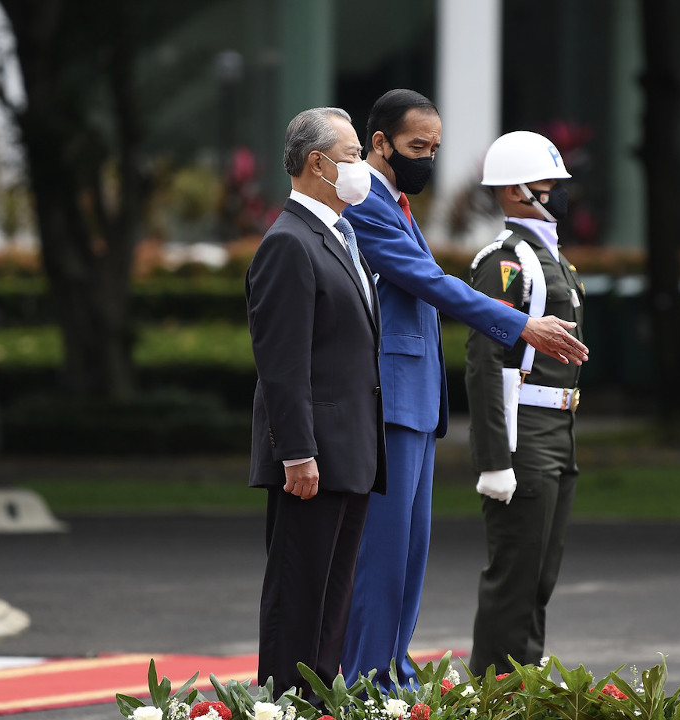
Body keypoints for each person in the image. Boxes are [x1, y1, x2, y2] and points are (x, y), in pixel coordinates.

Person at [340, 90, 588, 690]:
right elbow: (427, 280)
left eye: (434, 147)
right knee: (385, 557)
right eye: (416, 146)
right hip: (393, 400)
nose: (428, 158)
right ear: (380, 144)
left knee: (411, 556)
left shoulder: (395, 201)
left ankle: (392, 676)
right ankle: (370, 682)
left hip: (417, 402)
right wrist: (520, 323)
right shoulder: (369, 201)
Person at [246, 106, 387, 698]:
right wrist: (297, 453)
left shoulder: (336, 235)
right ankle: (282, 705)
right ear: (317, 164)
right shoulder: (288, 243)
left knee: (331, 604)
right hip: (313, 459)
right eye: (354, 156)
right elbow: (282, 364)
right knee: (298, 601)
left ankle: (316, 705)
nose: (363, 169)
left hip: (347, 451)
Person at [466, 130, 584, 675]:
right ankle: (498, 697)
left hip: (559, 429)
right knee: (514, 578)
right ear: (516, 192)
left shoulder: (553, 259)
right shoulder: (506, 261)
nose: (560, 192)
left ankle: (522, 690)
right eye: (549, 184)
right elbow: (485, 360)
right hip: (526, 432)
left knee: (539, 578)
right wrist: (494, 458)